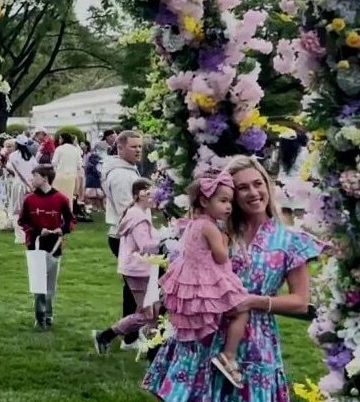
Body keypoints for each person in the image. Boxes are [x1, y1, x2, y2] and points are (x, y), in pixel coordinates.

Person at [144, 157, 321, 401]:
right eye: (243, 188)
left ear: (267, 185)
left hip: (252, 345)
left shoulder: (290, 240)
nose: (253, 192)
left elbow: (300, 301)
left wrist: (250, 301)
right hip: (204, 330)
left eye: (258, 184)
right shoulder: (215, 230)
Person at [157, 170, 252, 387]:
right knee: (241, 310)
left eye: (230, 202)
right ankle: (228, 355)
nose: (228, 207)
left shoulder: (193, 223)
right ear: (204, 200)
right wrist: (226, 238)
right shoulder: (209, 227)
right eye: (223, 201)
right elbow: (220, 256)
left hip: (191, 276)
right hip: (207, 277)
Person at [92, 178, 160, 354]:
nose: (154, 197)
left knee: (152, 309)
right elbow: (145, 245)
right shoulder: (138, 217)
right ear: (139, 195)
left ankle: (149, 343)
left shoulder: (137, 213)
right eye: (150, 193)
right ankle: (106, 336)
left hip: (138, 267)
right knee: (147, 314)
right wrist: (167, 241)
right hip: (138, 269)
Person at [16, 163, 75, 329]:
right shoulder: (29, 199)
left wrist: (60, 229)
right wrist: (37, 230)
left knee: (50, 285)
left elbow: (71, 220)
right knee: (38, 284)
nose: (32, 179)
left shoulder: (61, 199)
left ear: (45, 178)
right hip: (35, 245)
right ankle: (40, 317)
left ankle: (48, 316)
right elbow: (23, 220)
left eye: (35, 176)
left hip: (54, 246)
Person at [102, 130, 143, 339]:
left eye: (139, 146)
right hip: (125, 237)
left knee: (134, 286)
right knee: (135, 287)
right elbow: (126, 211)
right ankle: (129, 335)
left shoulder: (129, 170)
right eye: (133, 146)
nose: (138, 150)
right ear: (120, 147)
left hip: (129, 235)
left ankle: (130, 333)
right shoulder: (120, 175)